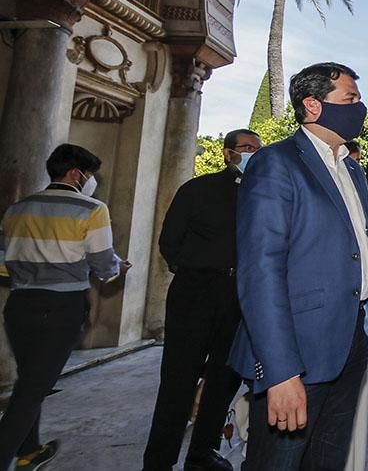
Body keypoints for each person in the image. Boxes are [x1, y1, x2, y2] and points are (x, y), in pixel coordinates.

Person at [228, 62, 368, 470]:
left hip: (349, 343)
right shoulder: (276, 163)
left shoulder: (351, 169)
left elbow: (363, 252)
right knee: (279, 461)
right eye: (350, 99)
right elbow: (261, 272)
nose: (360, 109)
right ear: (313, 106)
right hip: (297, 350)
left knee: (327, 458)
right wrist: (281, 372)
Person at [0, 144, 129, 470]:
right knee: (32, 388)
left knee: (30, 379)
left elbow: (3, 263)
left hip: (20, 304)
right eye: (88, 174)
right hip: (62, 307)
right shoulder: (91, 209)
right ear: (75, 173)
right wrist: (117, 267)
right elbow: (102, 264)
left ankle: (30, 451)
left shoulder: (18, 209)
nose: (90, 181)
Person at [143, 129, 262, 471]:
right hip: (195, 292)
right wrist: (200, 267)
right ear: (228, 154)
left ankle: (202, 454)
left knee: (223, 379)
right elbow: (170, 242)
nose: (252, 153)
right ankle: (158, 461)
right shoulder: (197, 189)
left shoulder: (262, 194)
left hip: (239, 296)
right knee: (178, 381)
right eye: (245, 148)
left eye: (257, 149)